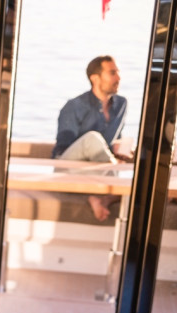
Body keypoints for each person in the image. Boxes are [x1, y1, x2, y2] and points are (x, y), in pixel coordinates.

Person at [53, 55, 131, 220]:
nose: (118, 78)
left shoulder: (121, 104)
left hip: (99, 169)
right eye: (112, 73)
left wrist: (119, 151)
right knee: (92, 139)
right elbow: (62, 151)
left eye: (118, 72)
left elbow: (115, 139)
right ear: (95, 78)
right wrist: (107, 162)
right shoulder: (74, 106)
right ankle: (114, 190)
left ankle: (100, 197)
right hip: (69, 168)